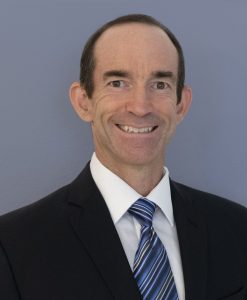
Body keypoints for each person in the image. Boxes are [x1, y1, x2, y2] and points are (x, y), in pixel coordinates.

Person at [0, 14, 247, 300]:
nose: (141, 107)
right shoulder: (14, 246)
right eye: (118, 83)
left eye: (160, 84)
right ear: (83, 102)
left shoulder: (238, 231)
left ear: (181, 105)